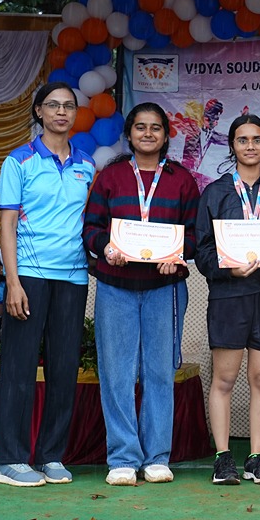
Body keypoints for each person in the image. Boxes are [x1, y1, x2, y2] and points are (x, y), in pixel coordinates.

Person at [82, 102, 200, 486]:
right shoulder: (111, 176)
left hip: (164, 289)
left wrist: (177, 256)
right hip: (116, 286)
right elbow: (91, 227)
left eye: (155, 128)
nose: (148, 134)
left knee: (159, 372)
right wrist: (106, 247)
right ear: (130, 134)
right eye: (140, 127)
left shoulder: (182, 180)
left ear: (166, 136)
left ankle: (156, 457)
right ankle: (122, 457)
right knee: (116, 374)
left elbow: (196, 234)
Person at [0, 81, 95, 487]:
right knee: (18, 367)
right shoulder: (18, 161)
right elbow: (7, 225)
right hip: (30, 276)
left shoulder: (87, 165)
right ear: (39, 111)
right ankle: (10, 460)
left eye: (68, 106)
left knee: (64, 368)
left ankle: (52, 455)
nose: (61, 112)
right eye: (53, 105)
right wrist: (12, 282)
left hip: (73, 276)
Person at [195, 113, 260, 486]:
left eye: (257, 139)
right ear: (232, 146)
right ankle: (223, 457)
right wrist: (229, 270)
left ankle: (255, 457)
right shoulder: (215, 192)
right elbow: (202, 250)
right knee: (224, 379)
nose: (250, 146)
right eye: (242, 139)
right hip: (228, 297)